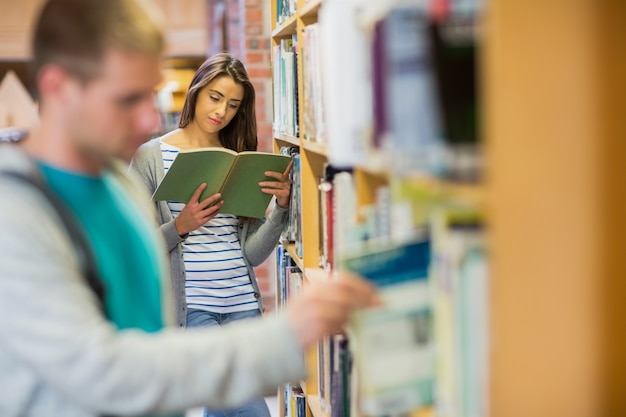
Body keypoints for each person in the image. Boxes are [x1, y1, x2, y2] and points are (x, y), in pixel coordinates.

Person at [0, 1, 379, 416]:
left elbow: (150, 341)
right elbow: (100, 371)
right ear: (58, 87)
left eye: (152, 94)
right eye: (128, 99)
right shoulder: (15, 216)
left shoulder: (117, 187)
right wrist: (283, 337)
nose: (149, 119)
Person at [131, 53, 290, 417]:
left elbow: (250, 254)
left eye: (233, 105)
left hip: (242, 303)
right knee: (246, 406)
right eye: (215, 97)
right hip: (194, 307)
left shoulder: (239, 158)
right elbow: (135, 247)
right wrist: (180, 225)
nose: (222, 111)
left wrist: (280, 210)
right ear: (196, 92)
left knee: (227, 406)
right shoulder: (150, 158)